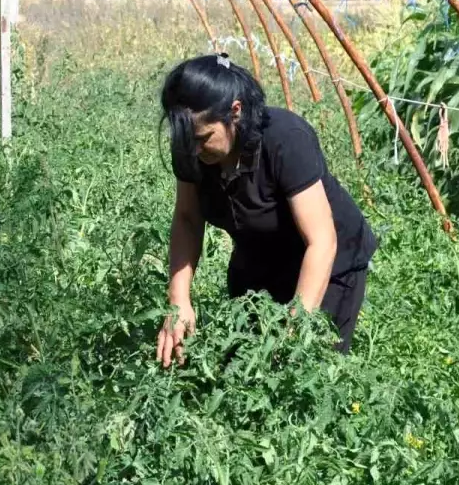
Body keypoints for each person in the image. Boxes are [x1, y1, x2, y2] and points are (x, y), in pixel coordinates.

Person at [155, 53, 377, 367]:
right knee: (240, 367)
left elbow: (322, 240)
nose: (193, 149)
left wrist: (296, 324)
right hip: (259, 257)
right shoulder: (191, 146)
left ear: (235, 112)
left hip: (328, 261)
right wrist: (178, 302)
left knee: (305, 372)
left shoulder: (285, 139)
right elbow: (188, 219)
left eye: (203, 138)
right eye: (186, 139)